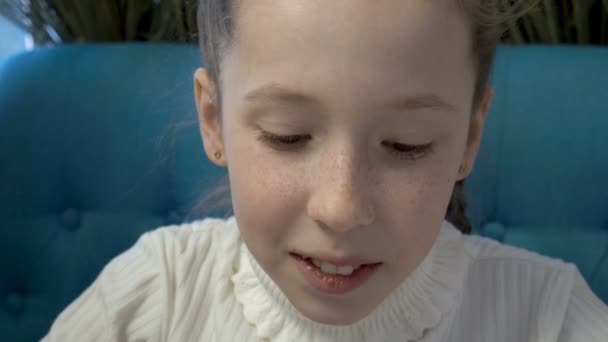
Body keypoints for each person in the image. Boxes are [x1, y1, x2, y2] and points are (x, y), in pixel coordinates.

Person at [43, 0, 608, 341]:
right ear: (213, 120)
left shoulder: (548, 317)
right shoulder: (155, 297)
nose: (341, 208)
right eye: (287, 136)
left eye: (406, 145)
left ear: (468, 137)